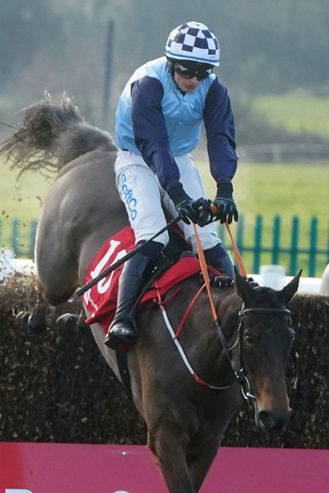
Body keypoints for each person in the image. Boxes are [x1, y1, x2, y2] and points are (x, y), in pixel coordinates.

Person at [106, 21, 239, 350]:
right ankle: (122, 317)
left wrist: (224, 189)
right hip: (136, 158)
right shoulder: (148, 84)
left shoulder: (214, 90)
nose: (194, 80)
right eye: (186, 71)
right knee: (154, 234)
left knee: (205, 236)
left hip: (178, 158)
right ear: (170, 63)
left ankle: (238, 304)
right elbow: (153, 142)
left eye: (202, 73)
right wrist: (176, 194)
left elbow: (221, 137)